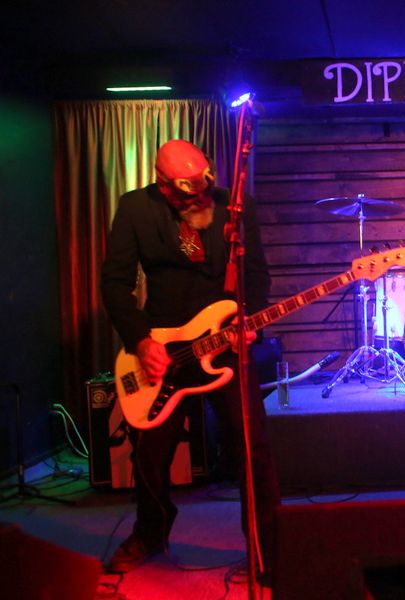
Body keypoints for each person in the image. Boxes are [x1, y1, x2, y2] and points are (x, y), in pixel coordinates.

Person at [100, 139, 281, 576]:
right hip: (162, 349)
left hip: (224, 344)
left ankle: (266, 549)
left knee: (253, 448)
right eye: (187, 194)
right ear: (163, 184)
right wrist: (141, 342)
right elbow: (115, 283)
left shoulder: (236, 206)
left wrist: (250, 320)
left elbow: (257, 274)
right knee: (149, 456)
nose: (199, 200)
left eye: (203, 190)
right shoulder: (135, 208)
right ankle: (150, 531)